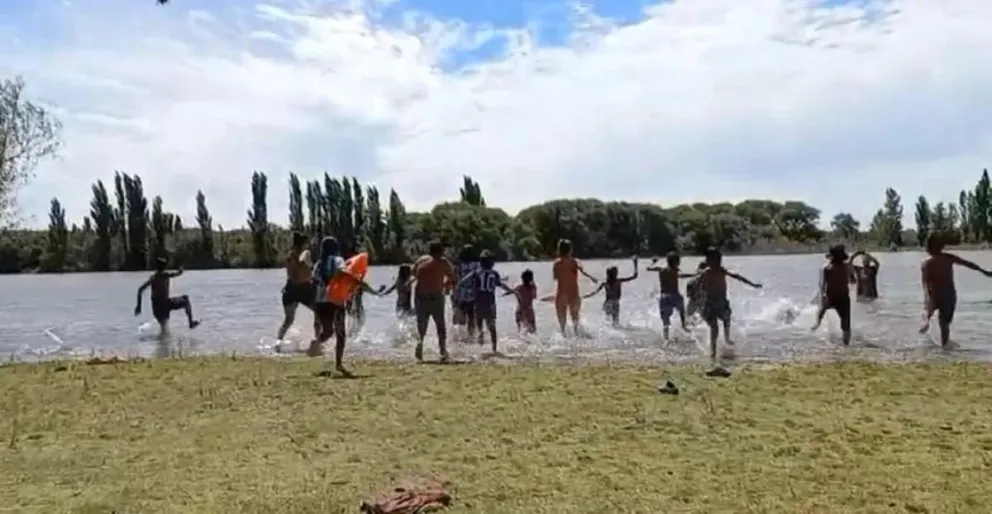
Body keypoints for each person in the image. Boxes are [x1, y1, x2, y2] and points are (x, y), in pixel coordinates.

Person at [307, 236, 377, 376]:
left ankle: (316, 343)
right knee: (341, 334)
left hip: (321, 302)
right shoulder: (337, 260)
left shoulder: (318, 264)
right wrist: (357, 281)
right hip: (336, 301)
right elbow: (342, 272)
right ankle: (338, 364)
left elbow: (313, 284)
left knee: (327, 332)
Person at [918, 233, 992, 346]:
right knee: (944, 325)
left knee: (926, 317)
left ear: (927, 247)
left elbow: (925, 284)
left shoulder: (927, 263)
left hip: (934, 295)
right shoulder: (948, 258)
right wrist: (983, 271)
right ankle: (944, 346)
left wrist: (927, 300)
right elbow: (968, 264)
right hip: (949, 296)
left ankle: (927, 338)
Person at [695, 248, 762, 360]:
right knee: (714, 327)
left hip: (721, 302)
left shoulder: (722, 271)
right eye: (715, 260)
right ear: (709, 261)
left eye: (719, 260)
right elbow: (696, 283)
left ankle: (726, 337)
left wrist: (753, 284)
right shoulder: (705, 272)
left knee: (727, 318)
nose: (718, 263)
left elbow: (737, 276)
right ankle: (713, 351)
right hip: (710, 303)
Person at [458, 250, 516, 352]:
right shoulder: (494, 273)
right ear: (491, 263)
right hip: (490, 303)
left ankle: (480, 344)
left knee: (480, 325)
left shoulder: (476, 273)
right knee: (492, 326)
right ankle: (494, 349)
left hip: (478, 302)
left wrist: (470, 289)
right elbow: (501, 285)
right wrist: (511, 290)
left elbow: (462, 282)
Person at [413, 241, 458, 362]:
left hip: (420, 296)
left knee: (422, 324)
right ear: (439, 252)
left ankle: (420, 345)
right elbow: (454, 278)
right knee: (440, 325)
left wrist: (447, 285)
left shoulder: (421, 260)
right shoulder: (443, 262)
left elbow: (413, 274)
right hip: (435, 296)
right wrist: (448, 286)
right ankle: (442, 351)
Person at [134, 257, 201, 334]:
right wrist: (181, 269)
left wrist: (139, 306)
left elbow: (140, 290)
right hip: (162, 306)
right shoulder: (164, 275)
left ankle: (164, 342)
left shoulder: (154, 278)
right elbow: (178, 273)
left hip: (161, 305)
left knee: (164, 328)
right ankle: (190, 323)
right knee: (165, 328)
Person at [810, 244, 857, 345]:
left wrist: (822, 295)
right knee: (845, 326)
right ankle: (846, 345)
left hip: (835, 297)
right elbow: (853, 281)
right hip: (836, 297)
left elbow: (822, 285)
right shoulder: (839, 268)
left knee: (823, 314)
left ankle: (816, 325)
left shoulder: (827, 268)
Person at [551, 238, 598, 336]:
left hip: (561, 294)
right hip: (573, 294)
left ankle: (565, 340)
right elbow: (583, 271)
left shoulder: (556, 263)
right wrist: (592, 278)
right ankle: (578, 343)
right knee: (576, 322)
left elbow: (555, 277)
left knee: (562, 327)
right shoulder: (575, 262)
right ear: (570, 249)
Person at [276, 232, 317, 340]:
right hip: (302, 289)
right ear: (303, 244)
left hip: (291, 290)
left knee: (288, 320)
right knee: (319, 313)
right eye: (307, 243)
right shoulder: (302, 254)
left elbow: (295, 274)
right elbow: (305, 270)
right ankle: (318, 341)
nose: (308, 245)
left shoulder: (291, 254)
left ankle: (278, 343)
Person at [646, 252, 694, 340]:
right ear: (676, 262)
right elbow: (681, 276)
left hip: (664, 297)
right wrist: (695, 275)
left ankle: (666, 340)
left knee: (665, 323)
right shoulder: (675, 270)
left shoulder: (661, 269)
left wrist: (653, 262)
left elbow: (648, 269)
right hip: (675, 296)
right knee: (682, 311)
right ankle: (683, 326)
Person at [583, 257, 638, 326]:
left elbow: (594, 293)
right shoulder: (618, 281)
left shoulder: (605, 283)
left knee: (607, 323)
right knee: (615, 323)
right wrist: (635, 264)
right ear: (615, 274)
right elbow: (635, 276)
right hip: (615, 302)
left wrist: (584, 297)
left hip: (608, 303)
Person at [451, 244, 481, 340]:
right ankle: (471, 336)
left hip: (459, 293)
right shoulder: (478, 265)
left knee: (459, 316)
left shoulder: (458, 266)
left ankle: (458, 337)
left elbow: (453, 279)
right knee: (472, 316)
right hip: (473, 293)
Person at [505, 269, 538, 334]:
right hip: (529, 311)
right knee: (533, 333)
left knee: (520, 332)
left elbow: (510, 292)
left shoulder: (519, 288)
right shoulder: (533, 288)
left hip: (520, 311)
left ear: (522, 278)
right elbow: (534, 297)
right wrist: (533, 283)